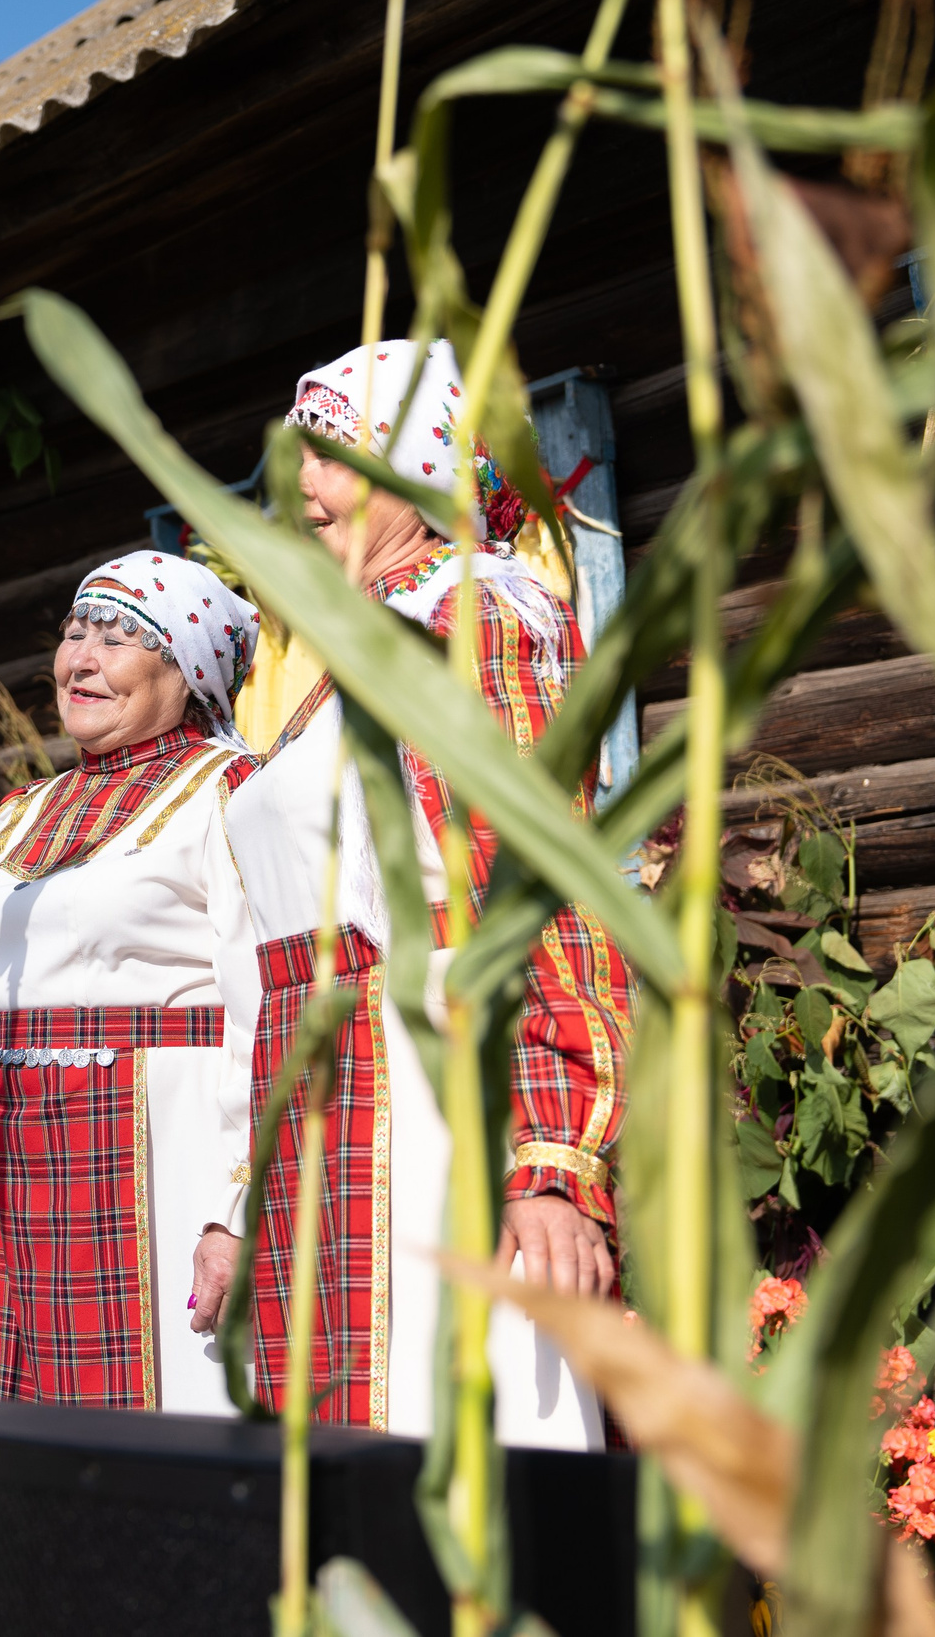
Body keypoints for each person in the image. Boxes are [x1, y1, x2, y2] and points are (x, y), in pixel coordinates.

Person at [225, 339, 631, 1446]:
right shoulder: (357, 655)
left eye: (330, 454)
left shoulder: (471, 614)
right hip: (331, 1099)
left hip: (431, 1093)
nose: (301, 486)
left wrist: (551, 1157)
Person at [0, 554, 265, 1417]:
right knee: (44, 1435)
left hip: (169, 1160)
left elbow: (264, 1004)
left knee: (169, 1423)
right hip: (27, 1165)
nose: (80, 659)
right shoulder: (20, 812)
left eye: (118, 639)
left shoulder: (228, 793)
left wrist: (239, 1204)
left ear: (188, 668)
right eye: (75, 632)